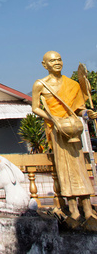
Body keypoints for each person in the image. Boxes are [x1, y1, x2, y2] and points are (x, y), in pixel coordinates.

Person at [32, 51, 97, 223]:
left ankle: (88, 209)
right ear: (44, 65)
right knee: (64, 171)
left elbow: (78, 108)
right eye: (52, 61)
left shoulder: (73, 84)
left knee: (80, 169)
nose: (57, 63)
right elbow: (35, 108)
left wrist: (87, 113)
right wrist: (53, 119)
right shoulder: (40, 85)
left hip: (74, 130)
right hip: (57, 131)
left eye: (59, 59)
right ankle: (73, 209)